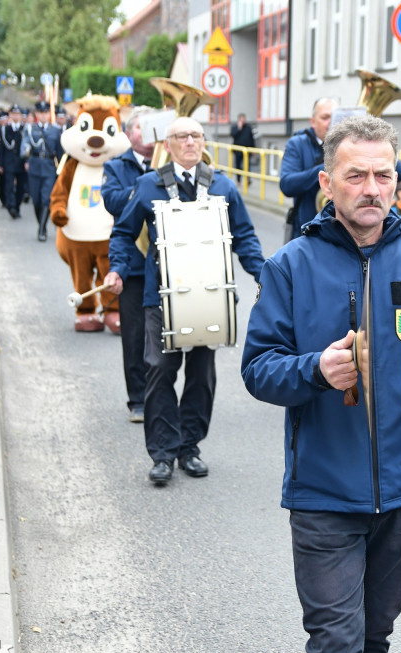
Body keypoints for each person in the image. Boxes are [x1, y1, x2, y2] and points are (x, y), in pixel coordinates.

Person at [241, 116, 401, 653]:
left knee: (375, 636)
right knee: (335, 646)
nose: (373, 188)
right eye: (356, 176)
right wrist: (316, 370)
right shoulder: (290, 267)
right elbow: (258, 370)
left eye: (384, 174)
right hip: (324, 491)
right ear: (327, 184)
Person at [106, 117, 265, 483]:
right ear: (169, 143)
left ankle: (188, 447)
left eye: (196, 135)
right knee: (159, 370)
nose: (190, 142)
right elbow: (123, 233)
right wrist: (117, 268)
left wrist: (264, 275)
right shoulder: (148, 185)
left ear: (203, 141)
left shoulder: (223, 186)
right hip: (159, 298)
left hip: (210, 299)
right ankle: (161, 454)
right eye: (182, 136)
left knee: (201, 374)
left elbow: (245, 237)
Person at [102, 106, 154, 424]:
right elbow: (113, 201)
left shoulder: (169, 163)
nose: (147, 133)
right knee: (134, 333)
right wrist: (146, 188)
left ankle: (160, 393)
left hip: (165, 263)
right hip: (133, 263)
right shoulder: (115, 166)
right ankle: (137, 398)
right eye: (140, 126)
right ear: (128, 134)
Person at [280, 97, 336, 242]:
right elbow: (287, 185)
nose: (331, 122)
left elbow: (400, 170)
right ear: (312, 121)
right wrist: (330, 165)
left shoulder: (352, 145)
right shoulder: (297, 143)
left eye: (335, 117)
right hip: (308, 232)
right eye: (325, 117)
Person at [22, 101, 63, 242]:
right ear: (37, 114)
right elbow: (25, 146)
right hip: (34, 166)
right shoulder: (30, 129)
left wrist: (62, 170)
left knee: (46, 199)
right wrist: (25, 154)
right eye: (41, 113)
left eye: (46, 113)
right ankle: (41, 223)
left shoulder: (56, 131)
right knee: (36, 200)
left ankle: (41, 229)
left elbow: (61, 153)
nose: (44, 115)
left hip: (49, 168)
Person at [0, 106, 27, 219]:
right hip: (9, 162)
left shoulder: (25, 129)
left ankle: (17, 206)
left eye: (18, 114)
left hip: (21, 163)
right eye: (13, 114)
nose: (16, 116)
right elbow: (1, 148)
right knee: (9, 186)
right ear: (10, 115)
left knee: (21, 187)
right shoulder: (5, 129)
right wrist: (0, 164)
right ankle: (11, 207)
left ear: (21, 116)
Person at [229, 113, 256, 185]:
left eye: (244, 119)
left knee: (247, 166)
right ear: (239, 120)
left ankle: (248, 180)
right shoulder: (235, 127)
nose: (243, 120)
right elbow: (232, 135)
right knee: (238, 166)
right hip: (238, 150)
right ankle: (238, 180)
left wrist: (253, 149)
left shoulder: (248, 127)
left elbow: (252, 139)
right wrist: (239, 129)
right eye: (241, 119)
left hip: (247, 150)